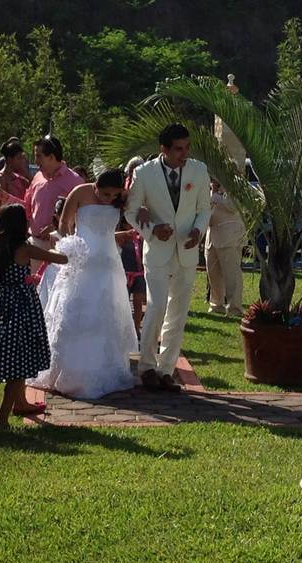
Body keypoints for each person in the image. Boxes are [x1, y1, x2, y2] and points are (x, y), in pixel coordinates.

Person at [32, 169, 138, 399]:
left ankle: (104, 366)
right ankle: (71, 370)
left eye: (113, 195)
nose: (109, 199)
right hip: (82, 258)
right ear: (96, 184)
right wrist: (71, 247)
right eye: (105, 193)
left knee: (105, 310)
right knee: (77, 309)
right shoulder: (80, 192)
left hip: (108, 260)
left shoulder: (122, 198)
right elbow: (64, 223)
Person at [124, 123, 212, 393]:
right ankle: (147, 367)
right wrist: (151, 231)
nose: (183, 154)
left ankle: (166, 370)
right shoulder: (144, 173)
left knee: (179, 311)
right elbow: (129, 210)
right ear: (163, 149)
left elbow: (204, 208)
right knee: (157, 305)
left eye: (186, 148)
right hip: (158, 250)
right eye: (177, 149)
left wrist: (199, 229)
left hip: (186, 249)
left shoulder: (199, 170)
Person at [0, 203, 68, 428]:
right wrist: (67, 246)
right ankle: (1, 419)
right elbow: (58, 259)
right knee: (18, 361)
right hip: (22, 305)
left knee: (15, 354)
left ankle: (21, 403)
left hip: (3, 303)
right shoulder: (24, 248)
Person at [23, 135, 84, 274]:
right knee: (35, 290)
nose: (35, 161)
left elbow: (81, 213)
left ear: (51, 157)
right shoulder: (37, 177)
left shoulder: (75, 181)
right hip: (35, 244)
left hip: (61, 246)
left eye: (39, 156)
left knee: (57, 289)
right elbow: (28, 206)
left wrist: (55, 226)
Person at [205, 179, 247, 317]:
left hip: (229, 236)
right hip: (212, 235)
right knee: (213, 273)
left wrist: (216, 195)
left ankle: (235, 307)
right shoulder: (210, 187)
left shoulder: (236, 185)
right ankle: (216, 305)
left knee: (232, 274)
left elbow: (234, 206)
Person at [116, 212, 146, 334]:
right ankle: (123, 328)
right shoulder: (122, 238)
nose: (131, 226)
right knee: (124, 303)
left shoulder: (141, 237)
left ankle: (136, 327)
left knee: (138, 302)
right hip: (125, 274)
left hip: (139, 274)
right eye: (128, 223)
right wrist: (125, 235)